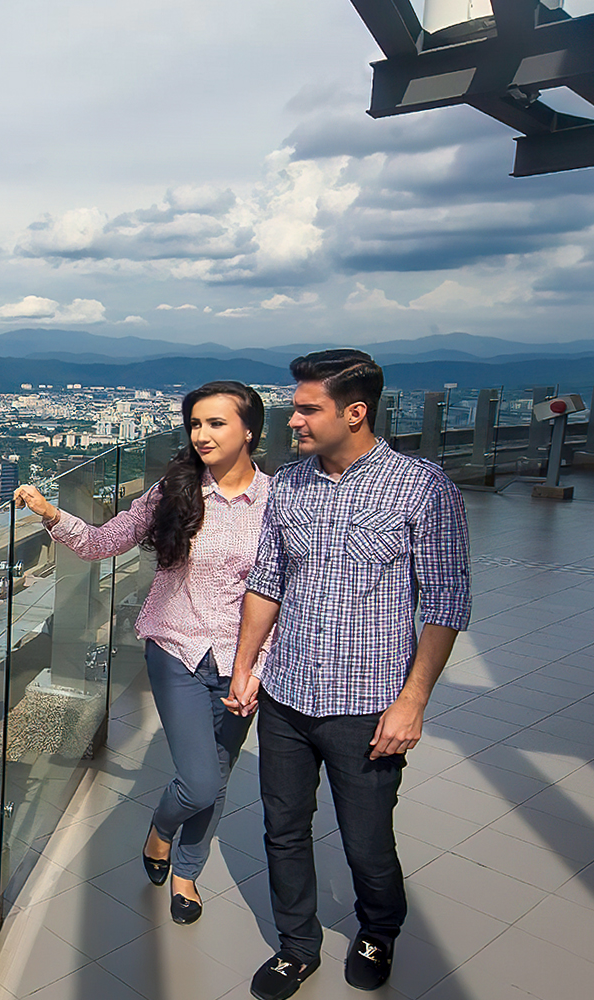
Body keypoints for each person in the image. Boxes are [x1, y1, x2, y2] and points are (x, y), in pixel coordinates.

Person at [226, 350, 470, 1000]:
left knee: (366, 842)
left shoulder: (423, 487)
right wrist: (247, 666)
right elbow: (267, 580)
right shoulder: (290, 485)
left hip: (368, 706)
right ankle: (296, 946)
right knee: (282, 830)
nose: (294, 418)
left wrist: (412, 702)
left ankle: (378, 928)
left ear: (354, 412)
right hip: (286, 696)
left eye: (308, 408)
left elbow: (446, 601)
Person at [15, 380, 270, 925]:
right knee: (200, 779)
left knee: (217, 776)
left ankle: (186, 873)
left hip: (242, 661)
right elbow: (107, 541)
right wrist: (52, 514)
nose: (201, 435)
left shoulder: (277, 500)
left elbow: (281, 591)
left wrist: (259, 665)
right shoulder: (174, 491)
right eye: (195, 424)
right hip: (174, 647)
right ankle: (160, 830)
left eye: (216, 423)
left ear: (250, 430)